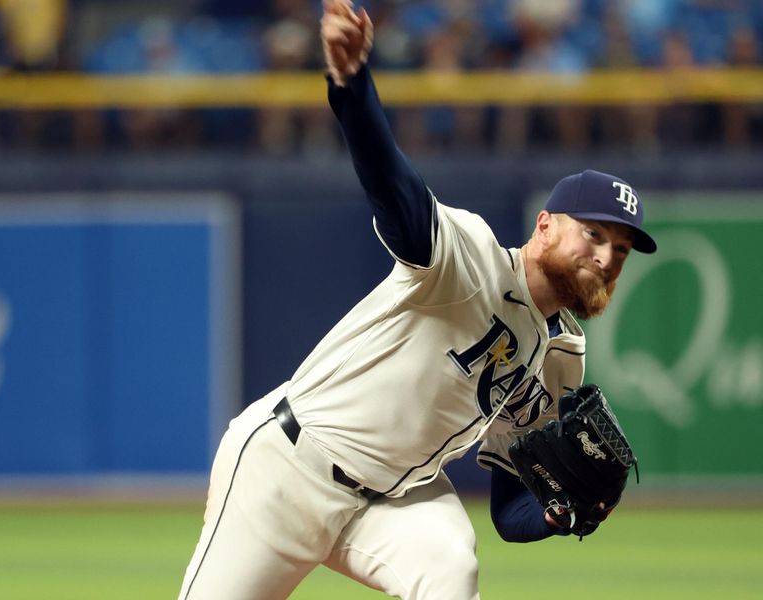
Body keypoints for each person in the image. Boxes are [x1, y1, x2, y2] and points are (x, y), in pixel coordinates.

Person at [177, 2, 657, 598]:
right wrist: (352, 87)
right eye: (594, 234)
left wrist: (555, 516)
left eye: (620, 249)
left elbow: (511, 508)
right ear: (545, 226)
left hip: (395, 500)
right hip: (286, 469)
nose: (607, 258)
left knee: (450, 567)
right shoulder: (470, 256)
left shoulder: (562, 354)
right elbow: (394, 189)